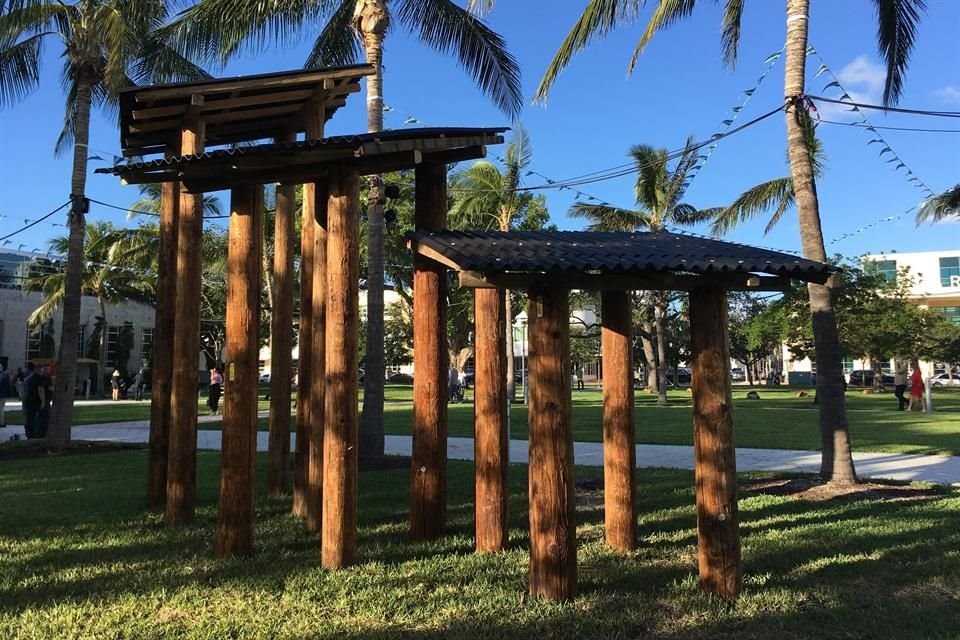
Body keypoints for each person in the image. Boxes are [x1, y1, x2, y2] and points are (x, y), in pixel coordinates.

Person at [20, 362, 42, 439]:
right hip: (30, 400)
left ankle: (29, 433)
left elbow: (23, 392)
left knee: (28, 417)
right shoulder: (31, 378)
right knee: (31, 418)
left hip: (27, 400)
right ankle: (31, 433)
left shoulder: (27, 378)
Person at [37, 364, 53, 438]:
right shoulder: (44, 378)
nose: (47, 370)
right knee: (45, 417)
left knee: (44, 417)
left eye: (48, 369)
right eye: (46, 369)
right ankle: (42, 434)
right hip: (45, 400)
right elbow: (42, 388)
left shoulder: (47, 377)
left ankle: (43, 433)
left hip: (47, 399)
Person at [0, 364, 10, 429]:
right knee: (1, 409)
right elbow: (8, 385)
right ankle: (1, 423)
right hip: (3, 395)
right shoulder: (5, 375)